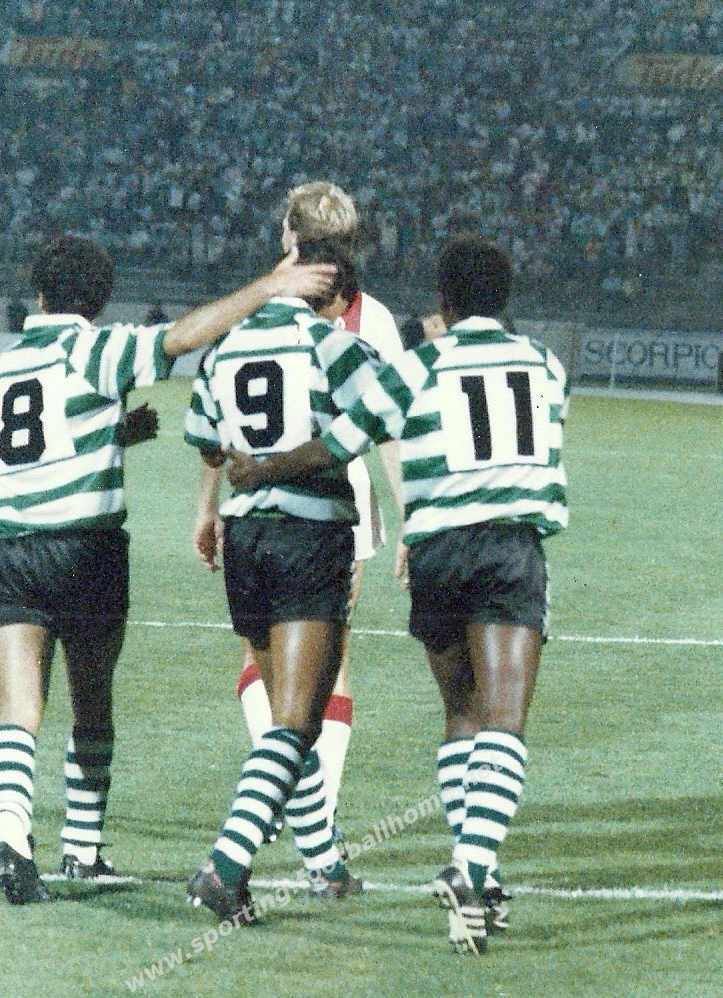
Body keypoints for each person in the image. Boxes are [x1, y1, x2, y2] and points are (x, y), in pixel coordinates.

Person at [226, 236, 569, 954]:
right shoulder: (544, 363)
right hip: (509, 547)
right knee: (505, 719)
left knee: (462, 714)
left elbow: (342, 441)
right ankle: (472, 868)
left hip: (439, 551)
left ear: (443, 298)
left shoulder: (417, 365)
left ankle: (478, 884)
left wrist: (264, 471)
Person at [0, 232, 336, 906]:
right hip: (82, 549)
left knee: (19, 707)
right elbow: (181, 337)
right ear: (99, 300)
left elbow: (34, 444)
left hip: (7, 550)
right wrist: (270, 285)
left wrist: (111, 435)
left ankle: (9, 835)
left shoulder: (8, 362)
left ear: (41, 295)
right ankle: (82, 849)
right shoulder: (95, 348)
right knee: (91, 703)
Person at [183, 235, 387, 924]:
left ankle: (325, 864)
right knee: (299, 721)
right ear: (338, 296)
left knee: (283, 716)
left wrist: (236, 480)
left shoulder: (224, 349)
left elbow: (206, 438)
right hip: (308, 535)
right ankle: (225, 865)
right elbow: (376, 418)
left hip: (245, 541)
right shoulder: (332, 345)